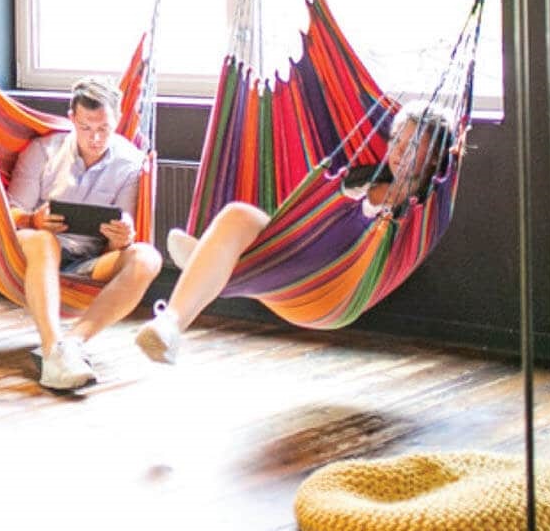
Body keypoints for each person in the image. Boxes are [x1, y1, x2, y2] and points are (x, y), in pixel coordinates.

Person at [135, 100, 459, 365]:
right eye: (395, 140)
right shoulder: (363, 179)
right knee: (237, 215)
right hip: (300, 255)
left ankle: (209, 261)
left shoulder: (418, 212)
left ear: (434, 158)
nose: (398, 152)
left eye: (413, 145)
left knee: (233, 231)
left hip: (335, 280)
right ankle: (170, 325)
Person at [7, 77, 164, 391]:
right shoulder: (42, 151)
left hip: (91, 260)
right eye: (86, 127)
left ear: (117, 121)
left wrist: (122, 239)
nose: (95, 138)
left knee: (148, 257)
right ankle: (52, 347)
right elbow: (8, 215)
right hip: (36, 251)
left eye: (104, 129)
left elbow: (120, 238)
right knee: (43, 240)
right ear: (71, 119)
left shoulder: (130, 163)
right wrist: (34, 219)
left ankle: (72, 345)